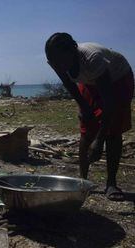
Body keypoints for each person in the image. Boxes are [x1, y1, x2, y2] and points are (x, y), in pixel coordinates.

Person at [45, 32, 134, 201]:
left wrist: (99, 141)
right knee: (87, 128)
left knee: (113, 130)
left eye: (60, 61)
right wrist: (84, 108)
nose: (57, 66)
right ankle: (82, 181)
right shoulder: (57, 61)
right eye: (53, 63)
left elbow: (110, 103)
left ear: (72, 51)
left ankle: (111, 183)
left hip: (117, 78)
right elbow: (69, 84)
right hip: (90, 82)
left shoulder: (92, 59)